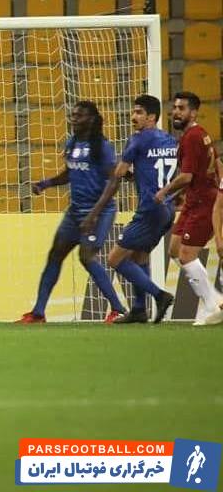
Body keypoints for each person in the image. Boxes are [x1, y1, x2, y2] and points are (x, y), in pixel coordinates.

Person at [17, 101, 127, 324]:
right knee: (55, 255)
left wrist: (93, 215)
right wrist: (46, 184)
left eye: (79, 116)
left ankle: (118, 309)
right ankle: (38, 312)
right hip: (75, 212)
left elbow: (114, 182)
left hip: (99, 212)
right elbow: (70, 173)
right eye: (73, 115)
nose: (73, 119)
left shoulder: (102, 147)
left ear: (92, 119)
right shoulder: (72, 143)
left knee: (86, 257)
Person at [80, 95, 178, 324]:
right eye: (133, 112)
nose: (133, 117)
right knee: (139, 256)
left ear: (152, 117)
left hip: (149, 209)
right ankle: (139, 310)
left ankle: (160, 296)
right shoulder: (169, 139)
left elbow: (119, 172)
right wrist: (136, 176)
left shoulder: (138, 139)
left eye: (139, 112)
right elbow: (154, 170)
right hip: (167, 209)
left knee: (115, 259)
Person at [154, 91, 221, 325]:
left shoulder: (192, 137)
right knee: (174, 249)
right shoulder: (201, 133)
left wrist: (164, 192)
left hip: (203, 203)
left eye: (181, 108)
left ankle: (212, 306)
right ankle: (215, 298)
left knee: (186, 255)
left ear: (193, 113)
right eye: (174, 108)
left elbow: (186, 176)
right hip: (194, 201)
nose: (175, 112)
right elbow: (217, 162)